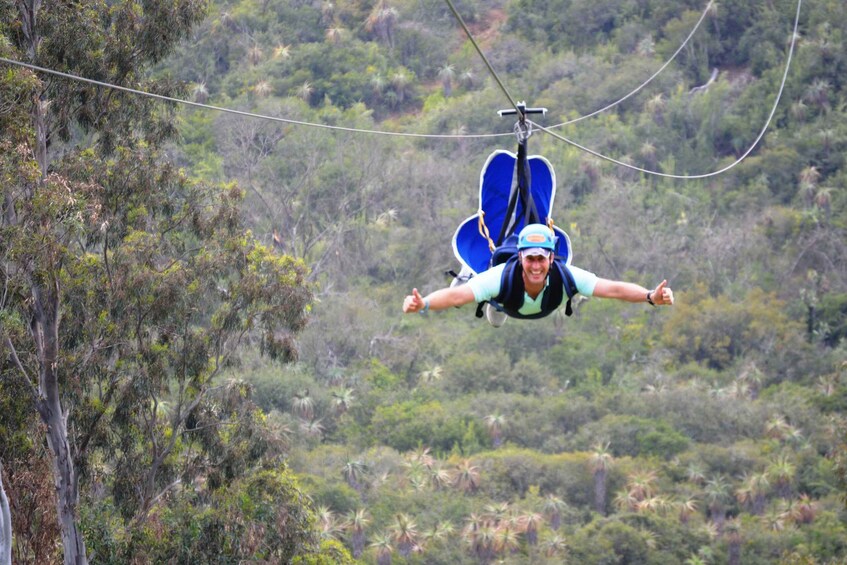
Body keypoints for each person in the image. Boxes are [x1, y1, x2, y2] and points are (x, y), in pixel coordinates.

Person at [402, 223, 673, 326]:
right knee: (487, 307)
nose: (535, 266)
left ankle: (501, 308)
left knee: (576, 290)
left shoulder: (565, 275)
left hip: (547, 303)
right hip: (506, 299)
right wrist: (424, 303)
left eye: (541, 259)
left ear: (551, 258)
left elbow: (612, 289)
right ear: (520, 257)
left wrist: (650, 296)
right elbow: (456, 295)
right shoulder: (502, 276)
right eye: (529, 258)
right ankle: (490, 301)